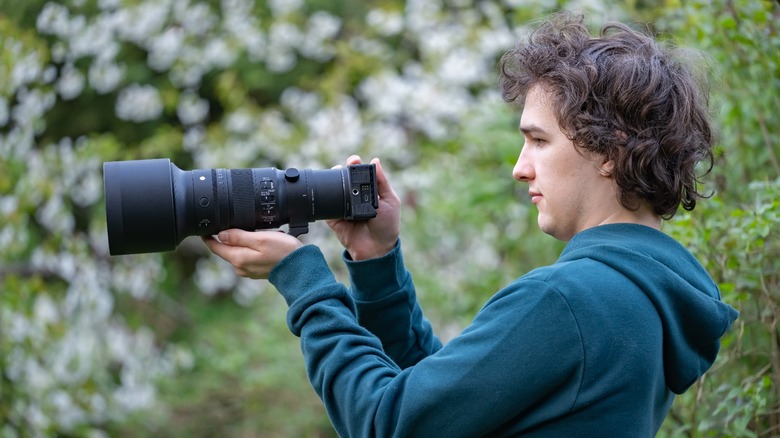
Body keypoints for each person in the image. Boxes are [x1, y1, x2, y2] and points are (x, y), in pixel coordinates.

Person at [203, 12, 738, 437]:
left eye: (539, 140)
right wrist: (377, 263)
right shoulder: (639, 295)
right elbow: (444, 409)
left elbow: (388, 422)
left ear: (610, 152)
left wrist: (303, 280)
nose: (519, 166)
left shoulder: (572, 300)